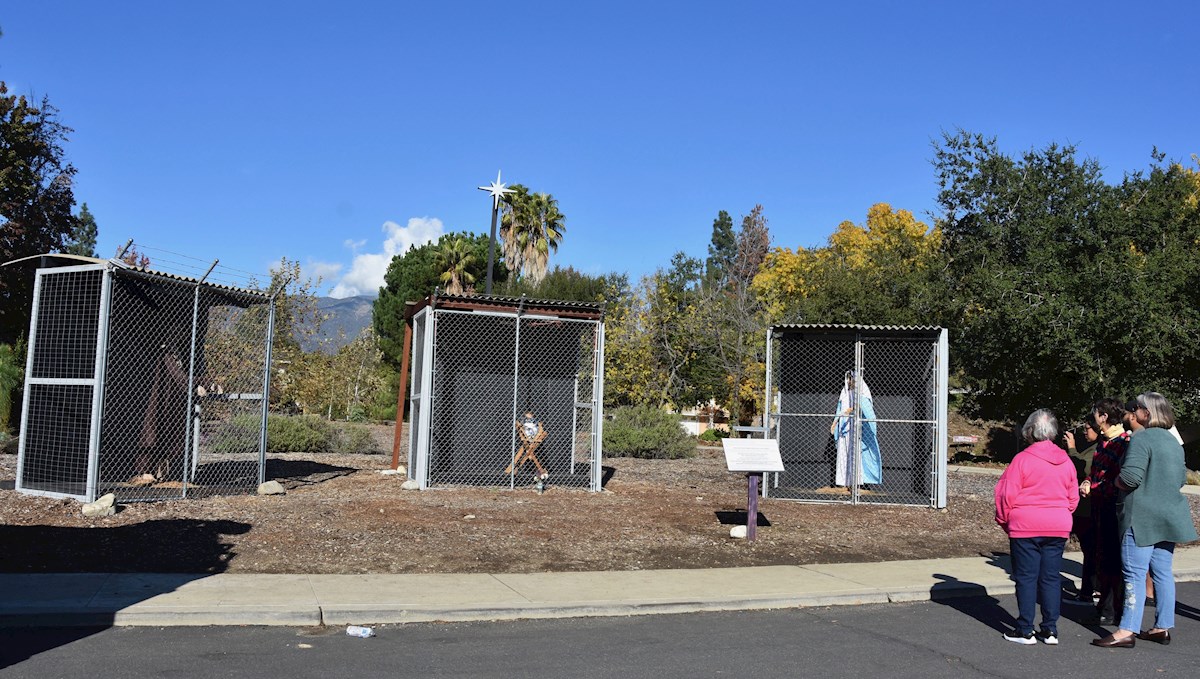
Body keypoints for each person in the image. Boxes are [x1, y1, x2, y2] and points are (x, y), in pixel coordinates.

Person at [1092, 393, 1199, 648]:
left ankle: (1127, 629)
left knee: (1134, 574)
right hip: (1170, 516)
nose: (1131, 414)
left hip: (1141, 517)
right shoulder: (1174, 442)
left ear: (1145, 413)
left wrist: (1113, 482)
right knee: (1162, 573)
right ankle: (1162, 626)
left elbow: (1130, 478)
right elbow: (1181, 479)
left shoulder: (1141, 439)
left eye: (1135, 409)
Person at [995, 409, 1079, 645]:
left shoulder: (1022, 459)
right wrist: (1062, 514)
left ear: (1030, 431)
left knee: (1026, 578)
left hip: (1026, 525)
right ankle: (1050, 629)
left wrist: (1005, 520)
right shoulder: (1066, 461)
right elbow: (1073, 497)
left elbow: (1005, 495)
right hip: (1057, 524)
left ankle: (1025, 628)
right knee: (1051, 578)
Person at [1080, 397, 1129, 626]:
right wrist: (1089, 482)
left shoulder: (1123, 442)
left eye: (1096, 413)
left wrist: (1095, 488)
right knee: (1100, 556)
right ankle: (1103, 606)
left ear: (1104, 417)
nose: (1094, 418)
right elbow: (1097, 471)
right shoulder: (1104, 442)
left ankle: (1112, 610)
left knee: (1112, 560)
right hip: (1098, 506)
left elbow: (1119, 479)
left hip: (1112, 508)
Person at [1063, 416, 1100, 603]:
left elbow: (1081, 468)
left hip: (1089, 508)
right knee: (1094, 551)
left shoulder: (1098, 449)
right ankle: (1095, 589)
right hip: (1089, 508)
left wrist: (1071, 447)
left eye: (1087, 428)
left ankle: (1088, 591)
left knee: (1091, 551)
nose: (1085, 432)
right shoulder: (1095, 447)